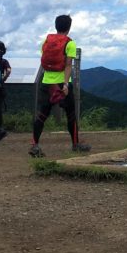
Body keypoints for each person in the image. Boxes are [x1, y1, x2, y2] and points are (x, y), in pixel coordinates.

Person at [31, 14, 89, 157]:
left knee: (41, 115)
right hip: (61, 84)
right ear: (69, 27)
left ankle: (34, 145)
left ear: (56, 26)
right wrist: (65, 84)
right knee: (71, 115)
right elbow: (68, 65)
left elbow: (44, 59)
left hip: (46, 82)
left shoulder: (46, 41)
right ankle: (75, 144)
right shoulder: (70, 43)